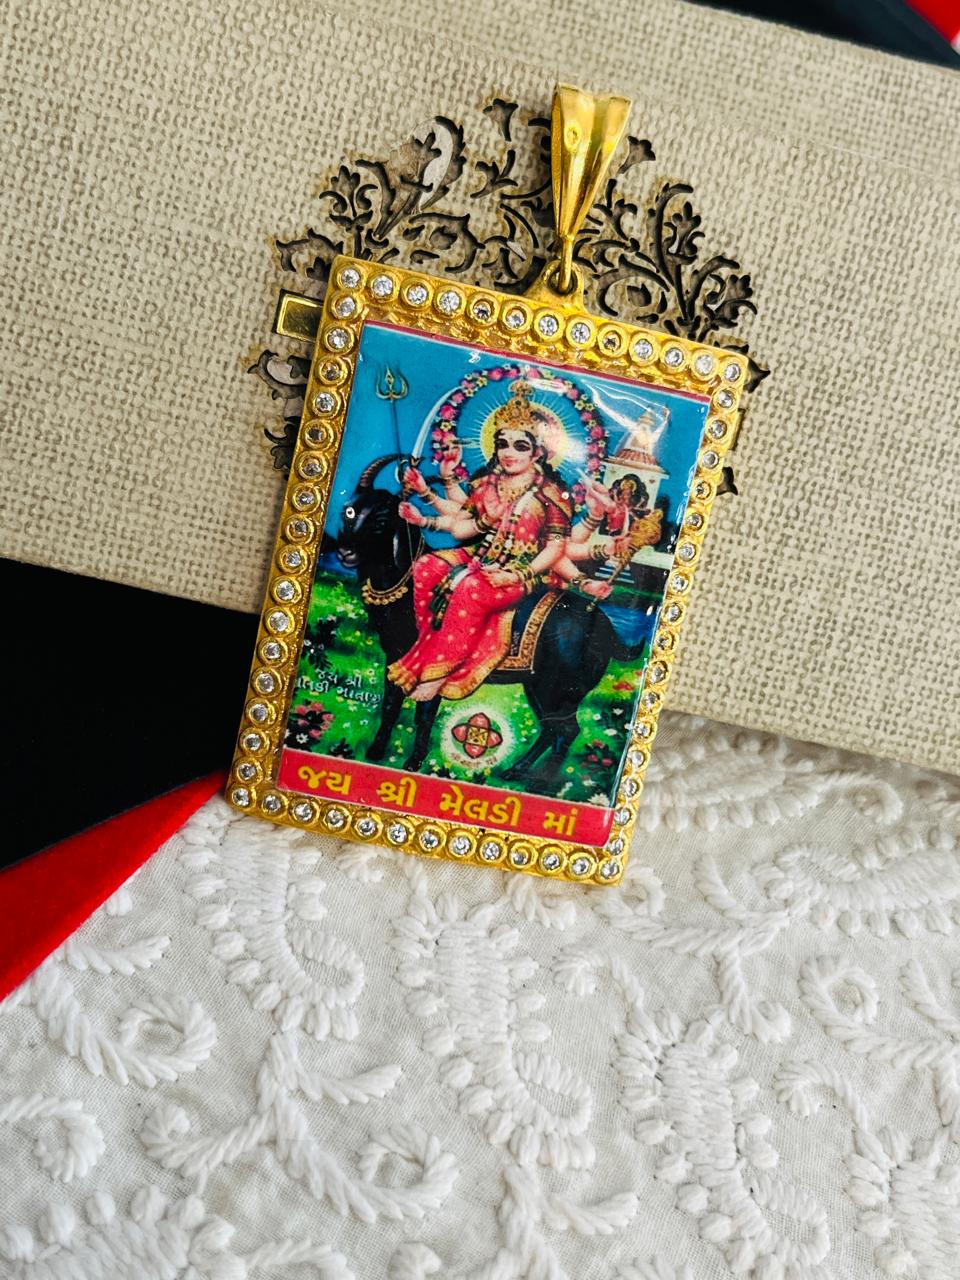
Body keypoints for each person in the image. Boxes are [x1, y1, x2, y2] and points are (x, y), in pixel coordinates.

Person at [387, 380, 572, 702]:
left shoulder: (549, 494)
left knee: (472, 588)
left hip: (524, 571)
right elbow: (461, 522)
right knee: (427, 566)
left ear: (538, 452)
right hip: (482, 554)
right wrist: (430, 498)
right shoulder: (488, 483)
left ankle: (439, 672)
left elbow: (556, 548)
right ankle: (431, 649)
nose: (509, 453)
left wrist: (517, 574)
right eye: (503, 444)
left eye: (520, 446)